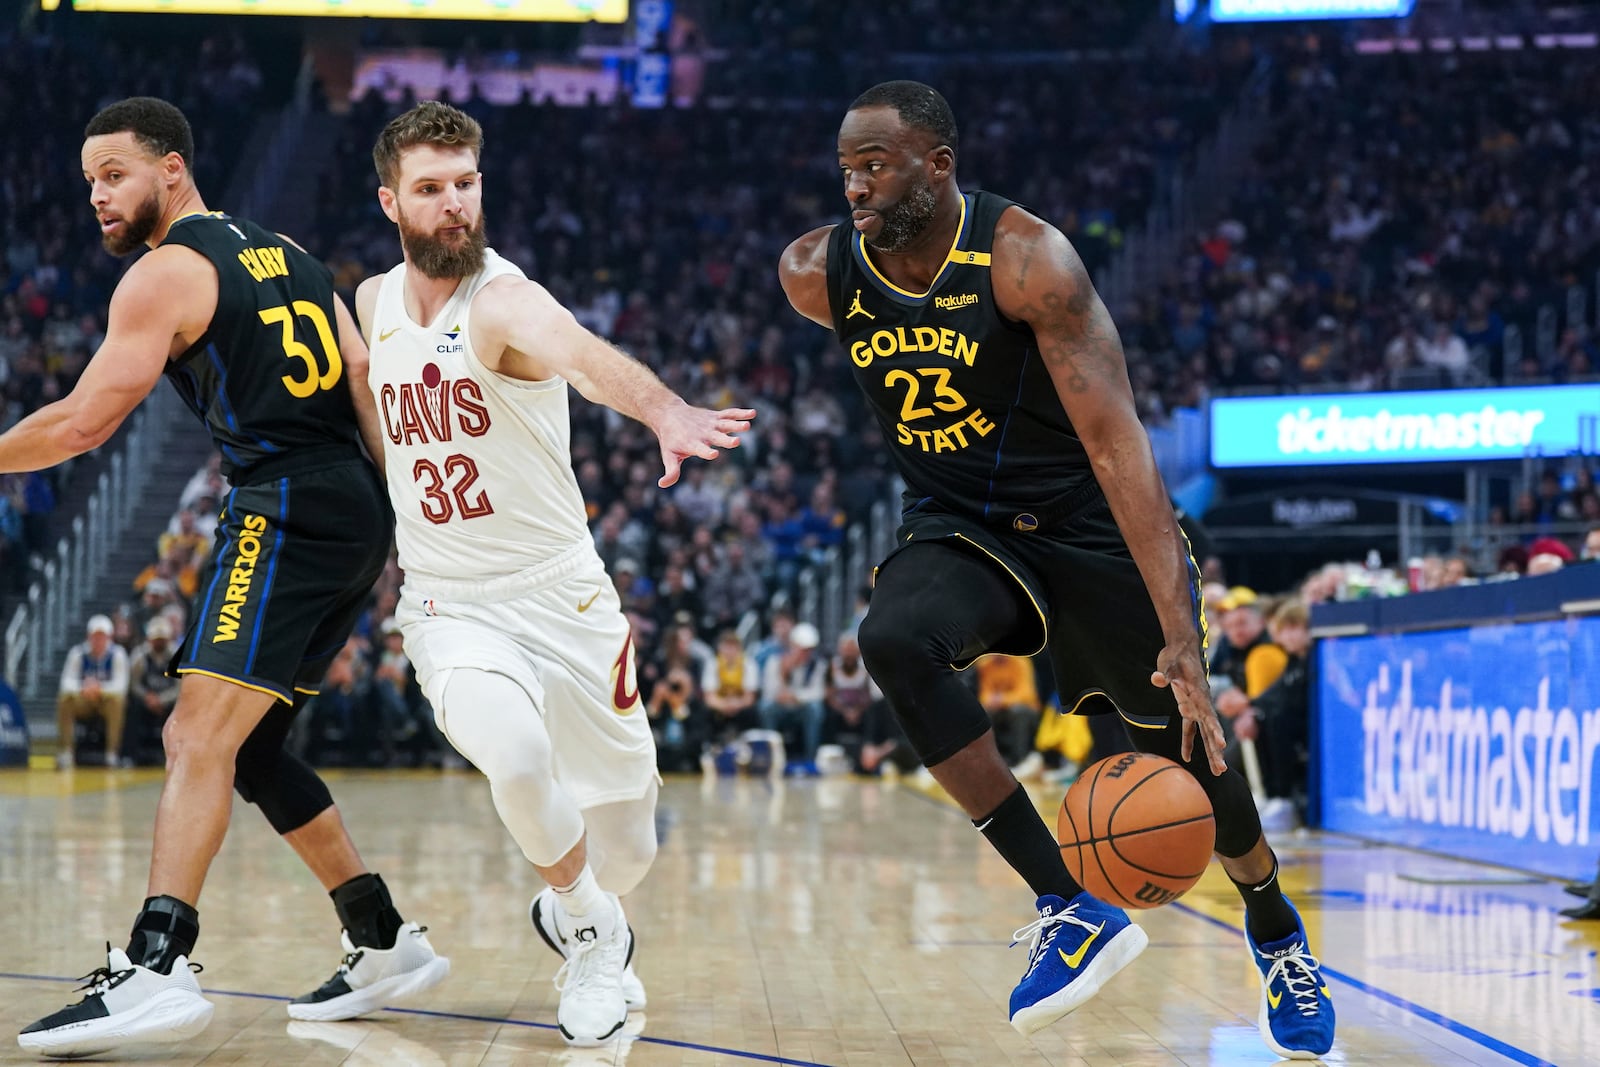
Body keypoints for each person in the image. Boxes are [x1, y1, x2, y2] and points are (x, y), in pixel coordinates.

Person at [777, 81, 1334, 1058]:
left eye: (877, 165)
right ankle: (1068, 904)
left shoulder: (1027, 261)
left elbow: (1123, 455)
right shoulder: (816, 273)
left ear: (938, 164)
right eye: (846, 169)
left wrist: (1181, 637)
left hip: (1089, 522)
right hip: (964, 524)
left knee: (1182, 754)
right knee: (892, 637)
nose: (856, 186)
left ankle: (1275, 924)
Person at [17, 97, 446, 1058]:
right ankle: (381, 937)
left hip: (284, 501)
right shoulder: (288, 250)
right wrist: (406, 521)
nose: (97, 194)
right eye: (89, 179)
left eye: (114, 173)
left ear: (173, 169)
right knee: (249, 750)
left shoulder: (166, 272)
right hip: (353, 506)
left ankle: (158, 964)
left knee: (194, 735)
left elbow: (84, 423)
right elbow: (364, 377)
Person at [355, 100, 753, 1046]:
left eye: (465, 184)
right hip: (451, 602)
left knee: (627, 847)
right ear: (390, 201)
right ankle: (588, 935)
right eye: (431, 189)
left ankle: (590, 899)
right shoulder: (371, 303)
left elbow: (581, 356)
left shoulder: (502, 299)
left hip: (562, 596)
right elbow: (378, 418)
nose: (453, 205)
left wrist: (660, 410)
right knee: (518, 757)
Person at [56, 613, 130, 769]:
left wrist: (99, 688)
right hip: (84, 700)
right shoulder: (77, 653)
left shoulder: (117, 654)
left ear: (109, 637)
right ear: (88, 636)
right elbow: (66, 683)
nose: (98, 640)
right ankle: (66, 752)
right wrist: (84, 688)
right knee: (65, 700)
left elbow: (120, 686)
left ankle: (112, 754)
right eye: (95, 636)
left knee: (117, 702)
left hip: (106, 701)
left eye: (102, 636)